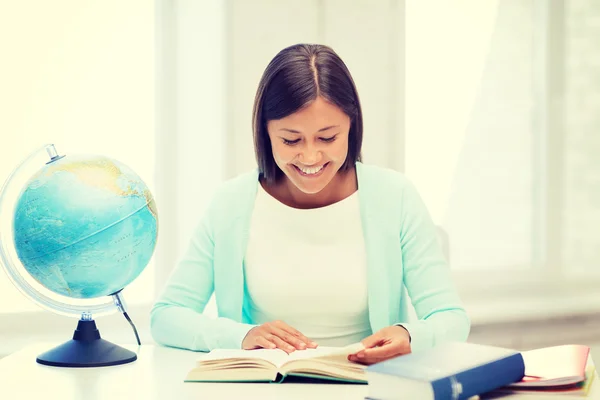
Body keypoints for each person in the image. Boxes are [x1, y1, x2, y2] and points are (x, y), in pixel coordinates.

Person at [150, 43, 470, 365]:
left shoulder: (394, 197)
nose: (310, 157)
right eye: (290, 140)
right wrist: (239, 336)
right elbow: (166, 317)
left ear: (351, 127)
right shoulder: (230, 204)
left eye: (328, 138)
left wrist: (409, 334)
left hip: (362, 385)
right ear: (265, 132)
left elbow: (451, 319)